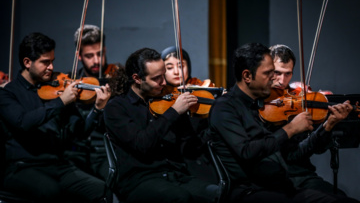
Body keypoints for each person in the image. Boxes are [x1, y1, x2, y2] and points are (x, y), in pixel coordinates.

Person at [209, 42, 357, 203]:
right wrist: (290, 129)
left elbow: (294, 153)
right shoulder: (226, 107)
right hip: (253, 189)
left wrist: (328, 125)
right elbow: (247, 152)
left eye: (286, 74)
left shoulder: (261, 106)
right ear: (247, 76)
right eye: (270, 73)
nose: (277, 79)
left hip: (282, 182)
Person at [0, 32, 111, 202]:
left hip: (56, 165)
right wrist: (61, 101)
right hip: (22, 167)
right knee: (51, 192)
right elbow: (23, 122)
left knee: (101, 189)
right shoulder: (8, 93)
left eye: (52, 61)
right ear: (27, 63)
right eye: (45, 62)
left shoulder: (56, 88)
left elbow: (80, 132)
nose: (51, 68)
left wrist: (97, 109)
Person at [104, 48, 218, 203]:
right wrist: (173, 112)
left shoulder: (166, 99)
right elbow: (142, 143)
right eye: (157, 78)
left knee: (219, 194)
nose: (164, 82)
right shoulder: (116, 108)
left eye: (164, 75)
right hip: (140, 181)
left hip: (176, 176)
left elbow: (190, 145)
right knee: (180, 198)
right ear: (137, 78)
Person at [269, 44, 348, 195]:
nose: (282, 81)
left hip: (303, 176)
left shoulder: (296, 101)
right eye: (277, 73)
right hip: (276, 181)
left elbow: (317, 149)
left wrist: (328, 126)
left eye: (288, 74)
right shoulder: (258, 106)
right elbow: (291, 155)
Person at [65, 24, 123, 181]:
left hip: (107, 153)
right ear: (79, 55)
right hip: (77, 152)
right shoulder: (70, 82)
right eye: (89, 56)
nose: (96, 61)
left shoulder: (117, 79)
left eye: (100, 54)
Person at [161, 46, 218, 184]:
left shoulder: (201, 90)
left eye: (181, 66)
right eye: (169, 67)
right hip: (172, 159)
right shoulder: (160, 96)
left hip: (200, 155)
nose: (176, 71)